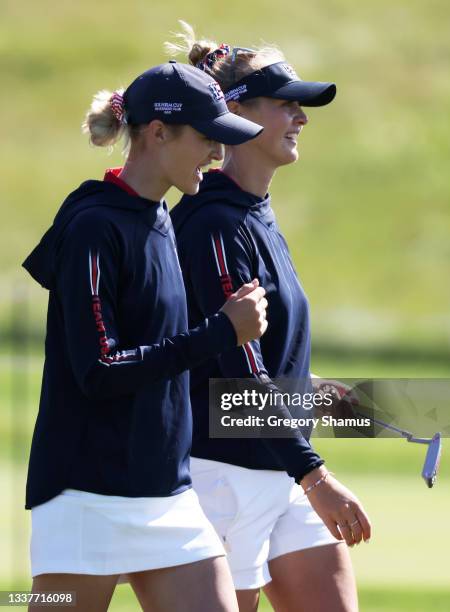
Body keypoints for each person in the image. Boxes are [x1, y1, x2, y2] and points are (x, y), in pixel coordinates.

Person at [22, 60, 268, 612]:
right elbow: (99, 370)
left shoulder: (160, 217)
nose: (215, 152)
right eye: (207, 138)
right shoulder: (94, 226)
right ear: (157, 133)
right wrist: (219, 333)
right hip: (86, 497)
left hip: (166, 496)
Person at [168, 24, 371, 612]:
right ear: (234, 112)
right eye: (287, 104)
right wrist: (317, 477)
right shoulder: (211, 223)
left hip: (280, 463)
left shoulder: (255, 213)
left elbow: (251, 357)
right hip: (222, 476)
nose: (301, 117)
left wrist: (303, 392)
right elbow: (234, 372)